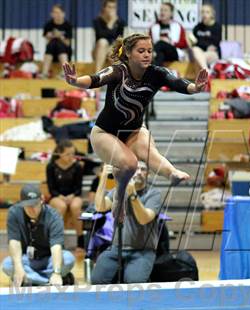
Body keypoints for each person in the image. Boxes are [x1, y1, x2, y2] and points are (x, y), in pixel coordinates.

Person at [62, 32, 208, 223]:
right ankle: (119, 196)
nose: (147, 54)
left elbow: (177, 83)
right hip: (104, 133)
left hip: (134, 131)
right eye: (141, 51)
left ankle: (171, 173)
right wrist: (75, 81)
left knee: (150, 152)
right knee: (130, 163)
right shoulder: (118, 71)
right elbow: (95, 79)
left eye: (149, 51)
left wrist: (195, 88)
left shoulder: (156, 73)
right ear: (129, 53)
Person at [91, 161, 162, 284]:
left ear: (148, 174)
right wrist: (103, 178)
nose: (139, 172)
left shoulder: (154, 193)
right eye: (135, 169)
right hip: (116, 249)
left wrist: (133, 195)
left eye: (143, 169)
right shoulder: (119, 190)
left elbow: (143, 219)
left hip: (142, 251)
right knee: (97, 280)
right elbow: (100, 207)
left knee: (134, 283)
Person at [1, 184, 75, 286]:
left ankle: (32, 279)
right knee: (7, 265)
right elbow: (14, 242)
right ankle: (47, 281)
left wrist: (57, 272)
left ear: (42, 200)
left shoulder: (54, 216)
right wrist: (18, 268)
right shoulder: (14, 213)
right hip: (27, 259)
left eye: (34, 204)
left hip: (50, 259)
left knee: (68, 259)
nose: (32, 209)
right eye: (28, 205)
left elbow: (56, 247)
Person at [46, 140, 84, 251]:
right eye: (68, 154)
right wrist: (61, 196)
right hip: (57, 196)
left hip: (73, 195)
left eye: (73, 153)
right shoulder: (51, 166)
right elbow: (51, 188)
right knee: (61, 206)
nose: (71, 156)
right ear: (60, 153)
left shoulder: (77, 166)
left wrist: (72, 196)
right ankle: (58, 240)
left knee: (75, 207)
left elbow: (79, 188)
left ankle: (80, 240)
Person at [93, 0, 126, 72]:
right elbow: (101, 35)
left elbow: (119, 40)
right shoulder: (97, 21)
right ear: (104, 8)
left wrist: (111, 49)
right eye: (109, 7)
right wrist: (111, 23)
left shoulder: (120, 22)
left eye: (114, 7)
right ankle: (97, 75)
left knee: (115, 51)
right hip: (99, 50)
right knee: (103, 42)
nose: (112, 10)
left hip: (112, 50)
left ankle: (116, 78)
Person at [41, 4, 72, 78]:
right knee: (52, 43)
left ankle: (65, 72)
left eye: (59, 12)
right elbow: (47, 43)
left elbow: (68, 43)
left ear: (63, 14)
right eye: (55, 12)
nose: (57, 15)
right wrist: (50, 36)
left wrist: (60, 36)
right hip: (52, 52)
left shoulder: (67, 25)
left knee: (59, 43)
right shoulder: (48, 25)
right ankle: (44, 73)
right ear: (51, 14)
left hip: (64, 52)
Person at [189, 3, 222, 70]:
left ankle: (204, 74)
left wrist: (199, 42)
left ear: (212, 14)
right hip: (199, 52)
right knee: (195, 50)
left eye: (207, 12)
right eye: (203, 12)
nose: (204, 14)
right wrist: (205, 44)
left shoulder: (217, 27)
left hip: (212, 54)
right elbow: (193, 42)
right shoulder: (197, 27)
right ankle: (206, 72)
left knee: (199, 58)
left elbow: (215, 43)